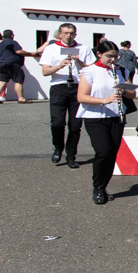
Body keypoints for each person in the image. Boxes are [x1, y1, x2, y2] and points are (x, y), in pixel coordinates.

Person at [75, 40, 135, 205]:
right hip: (95, 117)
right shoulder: (89, 71)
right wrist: (104, 100)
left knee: (111, 154)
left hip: (116, 116)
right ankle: (98, 187)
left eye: (115, 56)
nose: (113, 59)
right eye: (109, 56)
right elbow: (81, 97)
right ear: (99, 54)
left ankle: (103, 186)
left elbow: (132, 94)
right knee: (103, 151)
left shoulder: (120, 70)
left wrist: (125, 90)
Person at [38, 24, 95, 168]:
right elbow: (45, 72)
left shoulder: (84, 48)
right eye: (65, 33)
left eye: (71, 33)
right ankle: (58, 147)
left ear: (75, 34)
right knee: (57, 123)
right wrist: (59, 65)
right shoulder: (51, 49)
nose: (68, 36)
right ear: (60, 34)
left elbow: (92, 69)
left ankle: (71, 156)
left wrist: (78, 61)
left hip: (78, 87)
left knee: (75, 126)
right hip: (59, 87)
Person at [0, 30, 32, 104]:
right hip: (13, 64)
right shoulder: (13, 42)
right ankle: (21, 98)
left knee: (2, 81)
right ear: (12, 36)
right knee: (18, 80)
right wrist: (30, 53)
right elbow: (19, 51)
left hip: (1, 64)